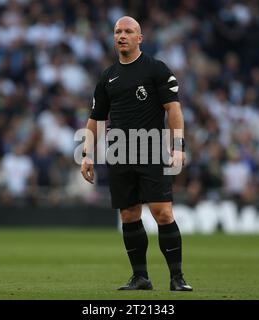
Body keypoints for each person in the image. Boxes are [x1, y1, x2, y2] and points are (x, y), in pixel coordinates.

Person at [80, 16, 192, 291]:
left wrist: (178, 147)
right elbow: (96, 118)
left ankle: (177, 278)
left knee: (162, 212)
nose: (122, 35)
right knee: (129, 215)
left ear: (139, 38)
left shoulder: (156, 69)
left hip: (152, 147)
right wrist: (86, 153)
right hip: (119, 151)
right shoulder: (107, 77)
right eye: (118, 31)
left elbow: (173, 110)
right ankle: (140, 277)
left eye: (128, 31)